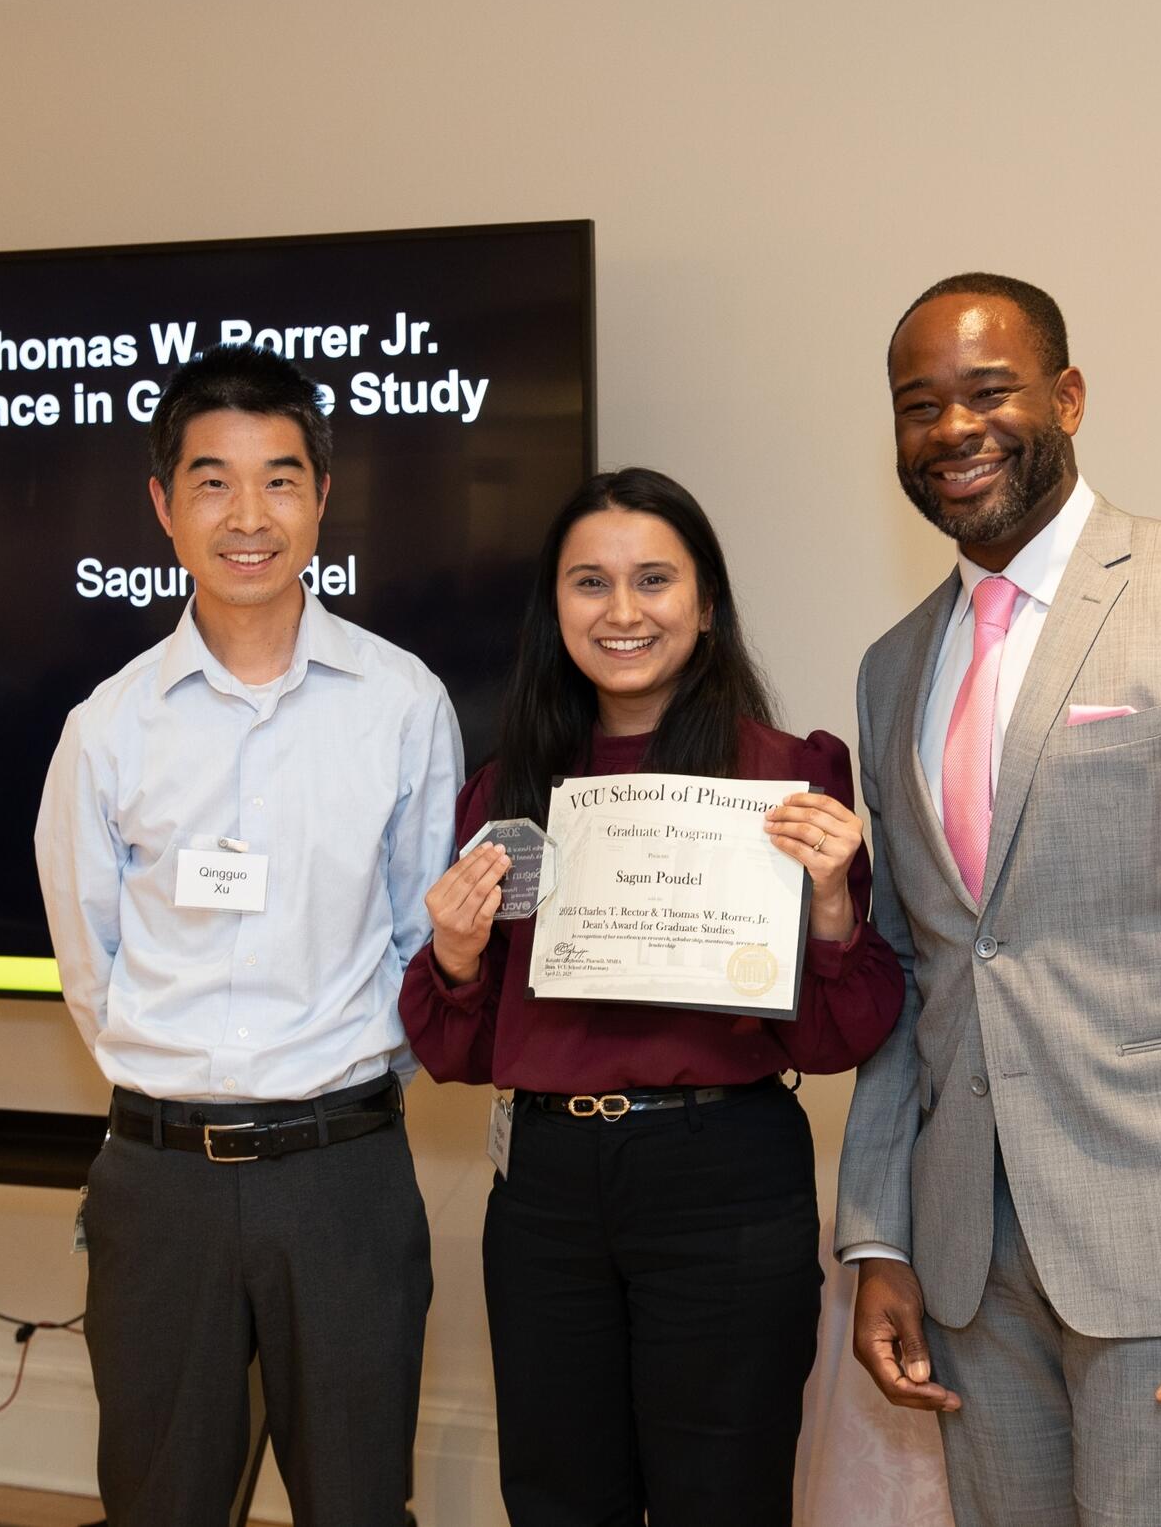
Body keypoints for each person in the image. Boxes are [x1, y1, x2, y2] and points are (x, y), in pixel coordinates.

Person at [835, 274, 1161, 1526]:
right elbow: (910, 965)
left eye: (988, 391)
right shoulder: (892, 664)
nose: (953, 429)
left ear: (1066, 396)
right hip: (969, 1259)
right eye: (920, 407)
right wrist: (879, 1237)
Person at [401, 467, 904, 1527]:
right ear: (555, 611)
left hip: (720, 1175)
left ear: (706, 603)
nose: (622, 611)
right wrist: (452, 953)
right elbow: (455, 1048)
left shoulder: (789, 781)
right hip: (542, 1188)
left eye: (653, 580)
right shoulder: (506, 792)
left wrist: (826, 907)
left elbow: (841, 1033)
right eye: (590, 582)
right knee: (555, 1492)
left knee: (721, 1495)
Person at [34, 343, 461, 1527]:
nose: (248, 515)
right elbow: (91, 961)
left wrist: (339, 1070)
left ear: (321, 501)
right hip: (157, 1180)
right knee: (159, 1502)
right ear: (165, 505)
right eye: (212, 481)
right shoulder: (108, 726)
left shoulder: (402, 702)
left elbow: (419, 941)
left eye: (279, 478)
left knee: (361, 1501)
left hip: (344, 1173)